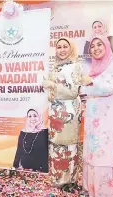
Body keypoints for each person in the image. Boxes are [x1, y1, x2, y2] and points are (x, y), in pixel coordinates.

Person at [80, 36, 113, 197]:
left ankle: (102, 192)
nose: (96, 48)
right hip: (92, 118)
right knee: (91, 152)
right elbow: (83, 91)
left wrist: (89, 83)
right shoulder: (93, 68)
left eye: (100, 44)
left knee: (102, 153)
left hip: (106, 118)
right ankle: (91, 189)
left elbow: (109, 88)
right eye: (92, 46)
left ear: (107, 47)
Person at [42, 37, 82, 192]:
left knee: (68, 145)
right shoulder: (55, 67)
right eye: (59, 47)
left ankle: (70, 179)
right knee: (56, 144)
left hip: (69, 112)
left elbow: (73, 92)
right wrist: (50, 89)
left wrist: (52, 85)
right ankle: (57, 177)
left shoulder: (76, 66)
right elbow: (52, 91)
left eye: (65, 46)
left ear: (71, 48)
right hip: (55, 112)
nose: (62, 49)